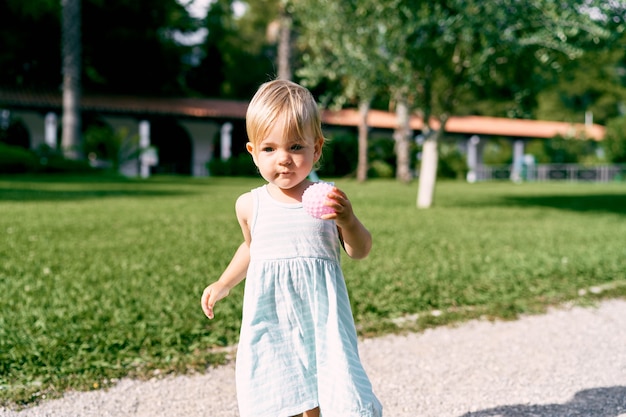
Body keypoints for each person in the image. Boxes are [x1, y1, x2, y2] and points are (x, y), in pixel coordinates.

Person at [201, 79, 382, 417]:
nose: (283, 159)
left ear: (316, 149)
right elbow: (252, 248)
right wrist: (223, 283)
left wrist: (349, 221)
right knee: (278, 386)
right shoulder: (249, 205)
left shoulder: (329, 198)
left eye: (296, 147)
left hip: (320, 316)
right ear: (253, 153)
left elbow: (360, 249)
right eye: (269, 149)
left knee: (322, 387)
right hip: (271, 317)